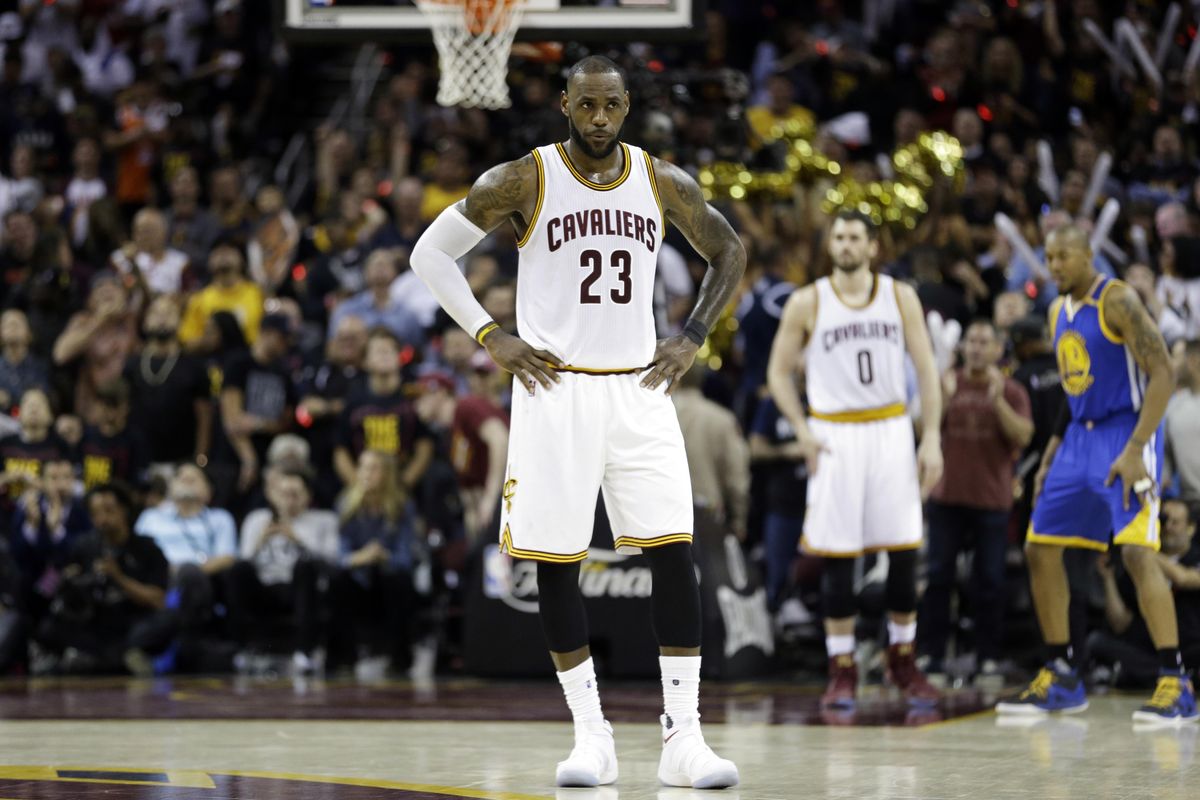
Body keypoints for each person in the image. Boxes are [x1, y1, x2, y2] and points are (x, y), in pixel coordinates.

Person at [410, 56, 744, 790]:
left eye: (612, 106)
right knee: (557, 563)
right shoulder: (523, 178)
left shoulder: (661, 180)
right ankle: (591, 736)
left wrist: (691, 336)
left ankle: (683, 738)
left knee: (673, 555)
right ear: (565, 104)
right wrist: (488, 334)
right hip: (553, 391)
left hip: (639, 389)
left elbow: (729, 251)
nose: (599, 118)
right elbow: (429, 253)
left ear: (627, 108)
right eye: (587, 104)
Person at [996, 226, 1197, 724]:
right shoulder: (1055, 310)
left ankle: (1177, 683)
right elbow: (1072, 389)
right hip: (1078, 438)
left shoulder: (1118, 300)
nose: (1054, 266)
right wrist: (1050, 454)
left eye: (1064, 256)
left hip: (1125, 431)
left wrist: (1134, 449)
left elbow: (1163, 375)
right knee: (1039, 548)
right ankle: (1062, 673)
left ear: (1089, 256)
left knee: (1134, 552)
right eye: (1049, 257)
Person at [766, 210, 943, 710]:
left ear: (872, 247)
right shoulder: (808, 300)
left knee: (904, 552)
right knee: (838, 557)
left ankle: (902, 659)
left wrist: (930, 438)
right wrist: (801, 429)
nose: (845, 244)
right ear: (830, 245)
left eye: (854, 237)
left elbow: (928, 372)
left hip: (889, 429)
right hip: (834, 434)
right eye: (838, 237)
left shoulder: (899, 295)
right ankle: (841, 666)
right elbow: (778, 374)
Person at [919, 319, 1032, 678]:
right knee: (938, 578)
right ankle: (932, 656)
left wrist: (997, 402)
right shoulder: (945, 383)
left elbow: (1024, 437)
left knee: (990, 582)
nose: (977, 348)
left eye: (985, 342)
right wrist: (946, 400)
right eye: (972, 341)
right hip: (946, 497)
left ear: (999, 350)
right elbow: (921, 431)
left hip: (991, 502)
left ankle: (988, 657)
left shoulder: (1012, 390)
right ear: (963, 347)